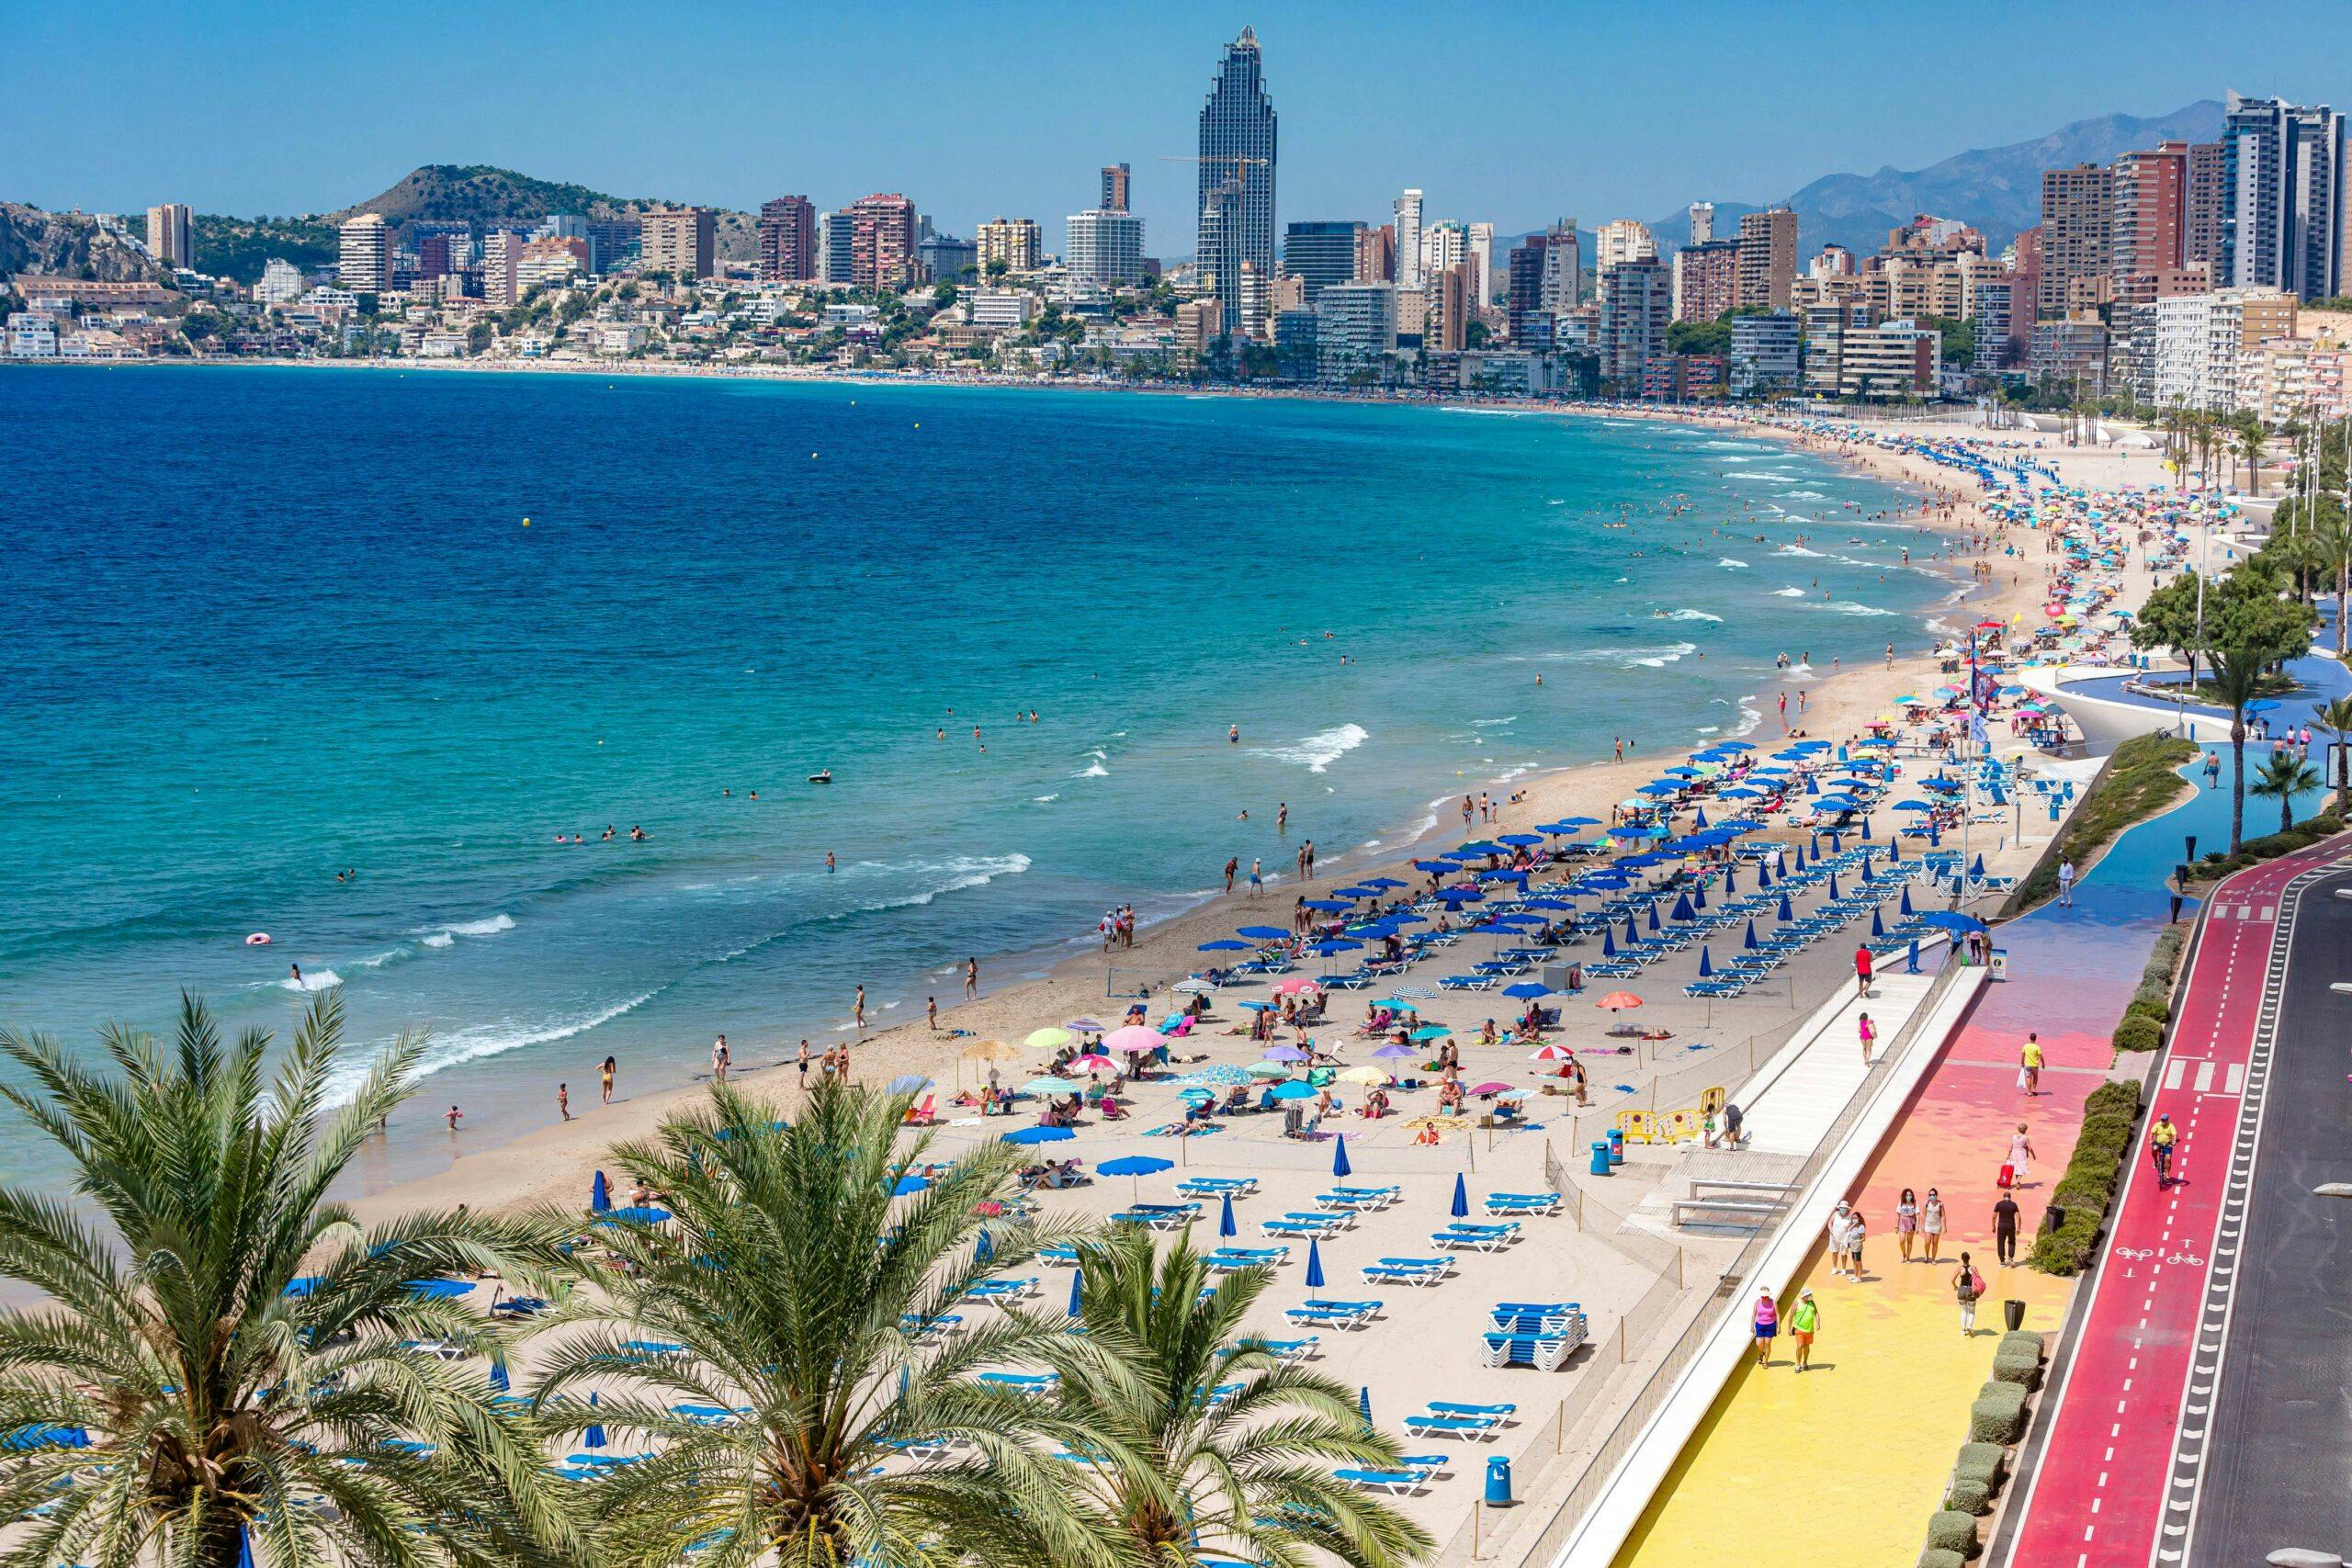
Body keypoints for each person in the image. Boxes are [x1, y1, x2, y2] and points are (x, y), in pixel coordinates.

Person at [1787, 1287, 1820, 1372]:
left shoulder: (1811, 1302)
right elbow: (1790, 1317)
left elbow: (1816, 1313)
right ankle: (1798, 1364)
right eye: (1809, 1294)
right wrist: (1789, 1328)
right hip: (1799, 1329)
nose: (1811, 1296)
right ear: (1804, 1296)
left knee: (1806, 1346)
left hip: (1810, 1330)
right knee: (1800, 1346)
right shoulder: (1796, 1303)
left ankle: (1805, 1362)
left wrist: (1818, 1323)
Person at [1952, 1251, 1985, 1335]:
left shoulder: (1959, 1268)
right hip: (1971, 1291)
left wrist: (1955, 1286)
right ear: (1969, 1258)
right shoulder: (1974, 1268)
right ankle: (1970, 1326)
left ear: (1962, 1259)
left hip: (1961, 1290)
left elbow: (1952, 1280)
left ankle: (1963, 1330)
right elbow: (1978, 1280)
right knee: (1971, 1311)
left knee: (1963, 1311)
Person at [1993, 1191, 2022, 1267]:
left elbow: (1994, 1216)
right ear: (2010, 1197)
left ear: (2003, 1197)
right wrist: (2019, 1228)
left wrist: (1993, 1226)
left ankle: (2002, 1261)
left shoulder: (1999, 1204)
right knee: (2012, 1242)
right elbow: (2018, 1217)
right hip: (2011, 1226)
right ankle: (2010, 1258)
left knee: (2001, 1242)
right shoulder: (2014, 1205)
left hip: (2001, 1226)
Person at [2149, 1111, 2178, 1185]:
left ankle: (2167, 1174)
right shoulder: (2157, 1125)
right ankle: (2155, 1161)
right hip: (2158, 1143)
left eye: (2164, 1120)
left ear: (2167, 1120)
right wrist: (2150, 1140)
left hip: (2167, 1145)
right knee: (2154, 1148)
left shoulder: (2171, 1126)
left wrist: (2174, 1141)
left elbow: (2174, 1134)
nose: (2163, 1121)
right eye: (2162, 1120)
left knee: (2168, 1159)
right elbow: (2151, 1133)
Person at [1751, 1289, 1778, 1367]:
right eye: (1763, 1296)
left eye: (1766, 1296)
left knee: (1767, 1343)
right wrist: (1752, 1325)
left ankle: (1765, 1361)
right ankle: (1761, 1353)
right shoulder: (1757, 1302)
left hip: (1770, 1325)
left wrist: (1778, 1326)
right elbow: (1754, 1314)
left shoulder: (1773, 1303)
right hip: (1760, 1324)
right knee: (1759, 1344)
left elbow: (1777, 1315)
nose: (1764, 1298)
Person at [2006, 1122, 2035, 1187]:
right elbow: (2030, 1148)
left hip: (2014, 1153)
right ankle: (2018, 1181)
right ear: (2025, 1130)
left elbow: (2011, 1146)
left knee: (2016, 1168)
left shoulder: (2014, 1136)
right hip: (2022, 1153)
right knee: (2021, 1168)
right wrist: (2033, 1155)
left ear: (2018, 1129)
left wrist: (2008, 1155)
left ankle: (2018, 1183)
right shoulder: (2025, 1138)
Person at [1896, 1188, 1919, 1262]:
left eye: (1910, 1195)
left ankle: (1908, 1257)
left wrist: (1917, 1227)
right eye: (1907, 1195)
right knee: (1902, 1241)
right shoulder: (1901, 1202)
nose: (1908, 1196)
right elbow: (1898, 1215)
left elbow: (1918, 1215)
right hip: (1903, 1221)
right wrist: (1896, 1226)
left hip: (1912, 1221)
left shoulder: (1914, 1203)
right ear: (1904, 1196)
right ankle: (1904, 1254)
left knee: (1909, 1241)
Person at [2020, 1032, 2043, 1096]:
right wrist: (2043, 1063)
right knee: (2035, 1077)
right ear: (2035, 1039)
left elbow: (2023, 1055)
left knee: (2028, 1078)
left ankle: (2029, 1092)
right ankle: (2034, 1089)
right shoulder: (2037, 1047)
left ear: (2030, 1038)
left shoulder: (2025, 1046)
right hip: (2035, 1065)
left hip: (2027, 1065)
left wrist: (2022, 1062)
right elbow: (2040, 1056)